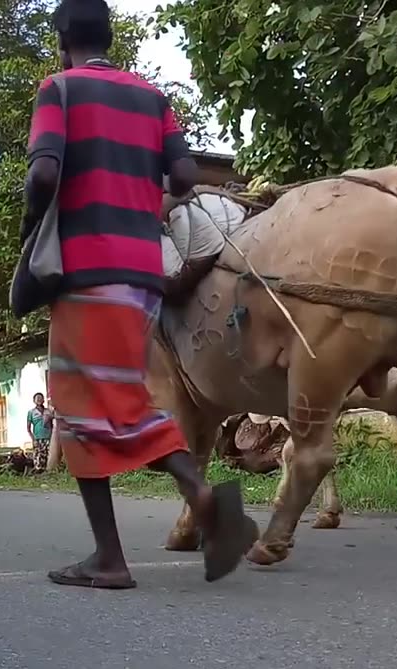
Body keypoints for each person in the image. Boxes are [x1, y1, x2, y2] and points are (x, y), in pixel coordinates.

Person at [19, 0, 258, 590]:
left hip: (86, 274)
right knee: (115, 397)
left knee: (82, 408)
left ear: (62, 36)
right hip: (144, 276)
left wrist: (31, 235)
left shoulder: (59, 90)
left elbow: (45, 173)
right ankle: (167, 521)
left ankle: (135, 543)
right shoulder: (152, 98)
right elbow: (183, 178)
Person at [26, 392, 53, 471]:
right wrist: (33, 439)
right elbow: (28, 428)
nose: (39, 400)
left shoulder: (48, 411)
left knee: (48, 455)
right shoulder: (31, 412)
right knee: (38, 457)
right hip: (37, 438)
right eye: (37, 398)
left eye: (41, 398)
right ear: (34, 401)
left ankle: (49, 471)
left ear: (43, 400)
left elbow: (53, 425)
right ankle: (39, 472)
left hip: (48, 437)